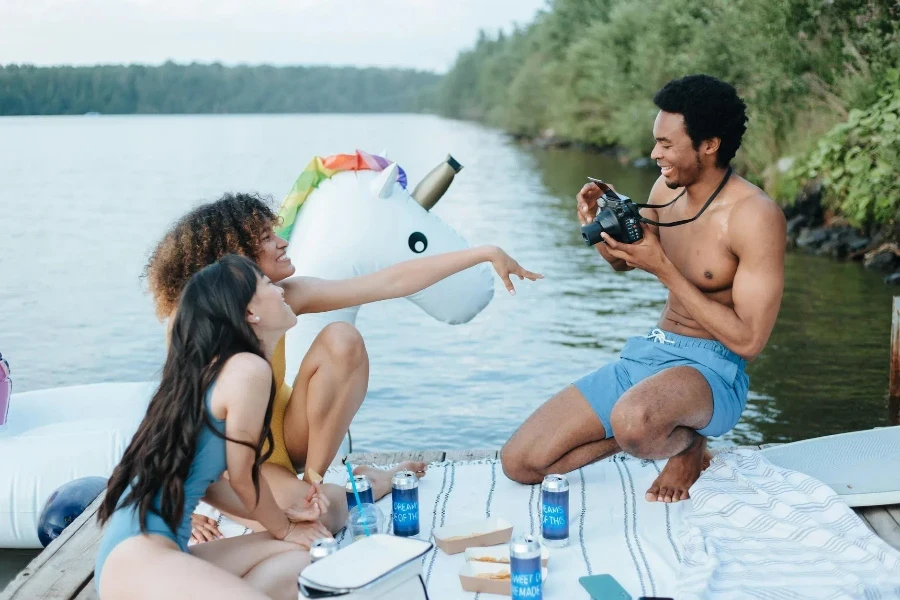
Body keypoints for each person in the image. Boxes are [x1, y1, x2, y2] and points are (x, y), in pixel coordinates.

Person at [144, 193, 542, 541]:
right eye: (266, 238)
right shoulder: (192, 328)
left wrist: (484, 253)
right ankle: (374, 482)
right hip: (237, 467)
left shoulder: (285, 296)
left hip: (284, 435)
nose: (282, 242)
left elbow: (390, 281)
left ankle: (315, 481)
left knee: (341, 339)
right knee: (312, 521)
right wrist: (183, 504)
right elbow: (171, 419)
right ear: (234, 258)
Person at [500, 74, 786, 503]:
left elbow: (749, 341)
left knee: (634, 420)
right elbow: (624, 262)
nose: (655, 154)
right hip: (652, 353)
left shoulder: (755, 216)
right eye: (656, 142)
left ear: (709, 144)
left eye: (667, 145)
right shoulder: (665, 190)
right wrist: (599, 229)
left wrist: (666, 270)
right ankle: (669, 432)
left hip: (713, 372)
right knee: (520, 463)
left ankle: (690, 445)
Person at [95, 254, 330, 599]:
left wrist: (284, 522)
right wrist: (285, 527)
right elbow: (243, 476)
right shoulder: (248, 369)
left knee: (303, 558)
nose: (279, 290)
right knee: (295, 544)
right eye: (267, 284)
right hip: (142, 559)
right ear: (250, 313)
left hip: (149, 555)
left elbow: (206, 486)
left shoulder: (215, 370)